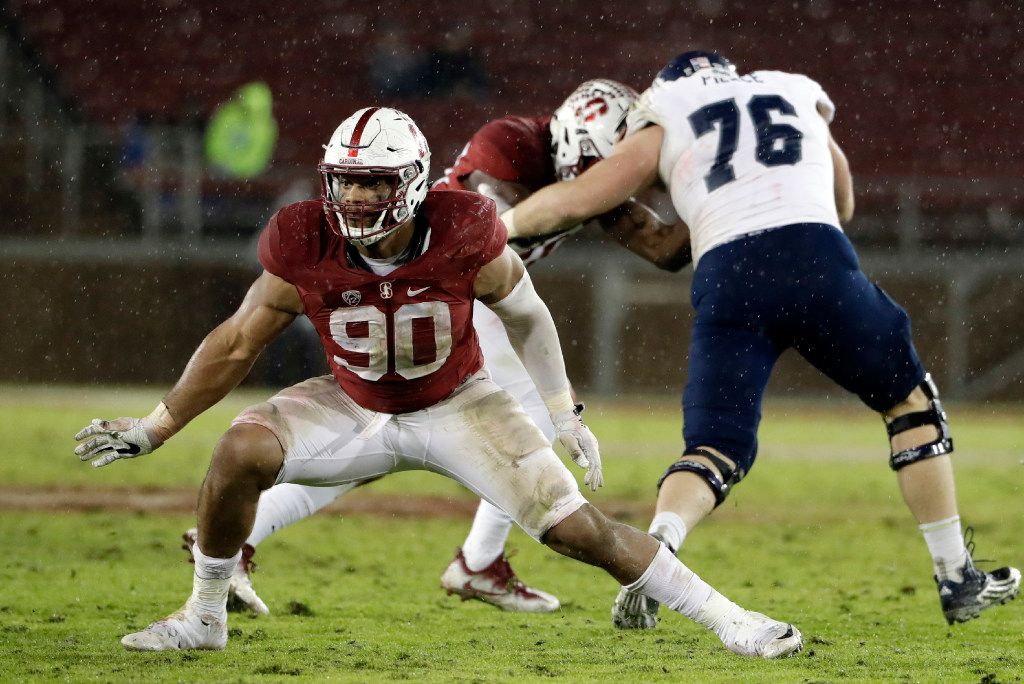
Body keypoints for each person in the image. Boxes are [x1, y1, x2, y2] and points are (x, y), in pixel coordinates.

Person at [74, 106, 803, 658]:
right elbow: (237, 340)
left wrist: (562, 409)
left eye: (373, 183)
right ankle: (204, 615)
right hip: (352, 401)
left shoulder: (465, 228)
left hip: (461, 405)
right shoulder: (302, 235)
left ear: (414, 183)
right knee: (240, 451)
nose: (356, 199)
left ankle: (733, 622)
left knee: (583, 533)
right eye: (346, 182)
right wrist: (156, 426)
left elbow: (527, 315)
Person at [500, 52, 1021, 630]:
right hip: (815, 254)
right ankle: (956, 575)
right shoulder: (791, 89)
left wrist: (503, 226)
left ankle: (658, 551)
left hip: (728, 274)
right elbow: (843, 200)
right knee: (910, 404)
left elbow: (586, 195)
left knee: (715, 447)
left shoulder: (669, 109)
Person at [179, 78, 691, 618]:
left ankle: (242, 542)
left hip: (464, 300)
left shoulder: (587, 179)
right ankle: (478, 563)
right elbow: (488, 226)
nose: (610, 178)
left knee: (369, 450)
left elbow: (665, 250)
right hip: (433, 294)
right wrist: (579, 201)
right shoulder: (513, 141)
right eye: (605, 163)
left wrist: (702, 185)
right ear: (574, 138)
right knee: (530, 420)